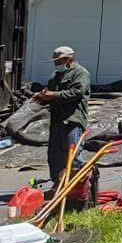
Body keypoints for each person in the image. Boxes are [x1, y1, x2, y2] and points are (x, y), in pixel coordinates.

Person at [32, 46, 90, 184]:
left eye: (59, 61)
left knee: (73, 156)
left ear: (69, 59)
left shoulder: (81, 73)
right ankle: (58, 185)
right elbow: (52, 95)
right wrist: (42, 97)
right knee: (55, 155)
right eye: (55, 61)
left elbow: (76, 93)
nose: (56, 64)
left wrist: (53, 95)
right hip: (57, 120)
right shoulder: (55, 76)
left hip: (72, 120)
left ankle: (78, 188)